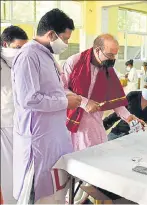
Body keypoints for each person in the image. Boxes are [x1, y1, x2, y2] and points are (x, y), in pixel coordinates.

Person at [11, 9, 82, 203]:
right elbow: (30, 99)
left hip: (52, 136)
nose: (66, 44)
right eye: (65, 39)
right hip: (38, 140)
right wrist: (65, 102)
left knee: (53, 191)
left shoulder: (46, 54)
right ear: (51, 34)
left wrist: (65, 95)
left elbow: (49, 90)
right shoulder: (28, 56)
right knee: (36, 192)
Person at [62, 34, 143, 151]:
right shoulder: (75, 62)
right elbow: (62, 89)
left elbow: (116, 100)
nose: (113, 59)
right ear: (98, 50)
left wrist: (129, 117)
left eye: (115, 55)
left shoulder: (109, 70)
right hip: (71, 121)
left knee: (95, 156)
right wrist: (84, 102)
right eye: (110, 55)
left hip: (93, 123)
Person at [1, 25, 28, 204]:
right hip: (3, 125)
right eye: (17, 48)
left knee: (21, 172)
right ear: (5, 44)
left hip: (22, 125)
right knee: (7, 173)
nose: (21, 52)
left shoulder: (21, 62)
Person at [104, 75, 147, 140]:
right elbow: (118, 113)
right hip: (120, 131)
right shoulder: (132, 96)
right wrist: (102, 125)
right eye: (146, 87)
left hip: (142, 137)